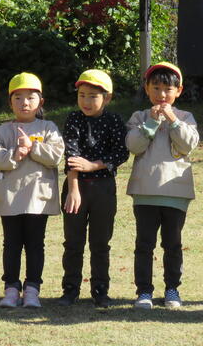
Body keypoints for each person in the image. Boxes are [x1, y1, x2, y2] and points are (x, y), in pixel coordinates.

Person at [0, 72, 64, 309]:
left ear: (41, 101)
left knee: (35, 244)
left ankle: (32, 289)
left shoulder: (48, 127)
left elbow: (56, 156)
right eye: (18, 97)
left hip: (38, 198)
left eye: (30, 97)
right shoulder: (3, 130)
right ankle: (11, 288)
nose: (24, 103)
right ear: (10, 102)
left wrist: (33, 147)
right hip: (10, 197)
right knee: (11, 244)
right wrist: (15, 154)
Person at [126, 61, 200, 309]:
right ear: (147, 88)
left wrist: (173, 121)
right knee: (144, 245)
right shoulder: (139, 117)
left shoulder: (185, 117)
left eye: (168, 89)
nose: (162, 94)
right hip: (145, 192)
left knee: (173, 245)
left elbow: (188, 145)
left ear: (179, 91)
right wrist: (151, 122)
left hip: (176, 193)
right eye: (156, 88)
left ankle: (172, 289)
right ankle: (144, 291)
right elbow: (133, 146)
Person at [57, 69, 128, 308]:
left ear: (107, 98)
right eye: (82, 95)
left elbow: (121, 153)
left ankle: (100, 290)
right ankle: (70, 289)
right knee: (73, 242)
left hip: (104, 189)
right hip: (76, 187)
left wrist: (93, 165)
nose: (86, 101)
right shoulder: (74, 119)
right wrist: (73, 190)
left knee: (100, 243)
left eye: (93, 96)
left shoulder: (114, 121)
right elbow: (71, 155)